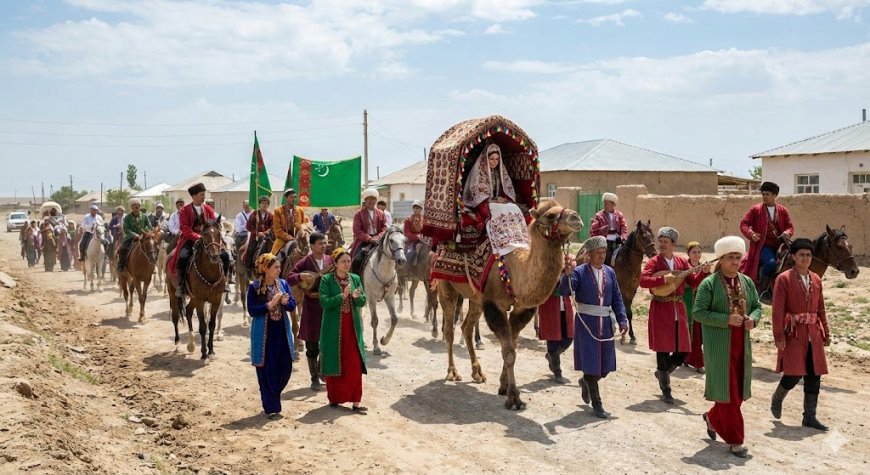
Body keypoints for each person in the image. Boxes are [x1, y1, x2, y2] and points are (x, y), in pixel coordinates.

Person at [693, 236, 762, 459]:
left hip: (741, 345)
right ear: (721, 259)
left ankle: (712, 418)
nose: (735, 262)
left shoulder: (747, 282)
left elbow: (758, 307)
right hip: (719, 347)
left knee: (738, 392)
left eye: (738, 257)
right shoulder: (709, 283)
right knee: (729, 393)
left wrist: (753, 319)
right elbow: (698, 313)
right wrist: (726, 320)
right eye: (730, 258)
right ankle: (735, 440)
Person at [639, 227, 710, 404]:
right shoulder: (654, 262)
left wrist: (704, 272)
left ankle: (662, 373)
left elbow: (692, 282)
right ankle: (666, 389)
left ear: (673, 244)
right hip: (661, 309)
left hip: (679, 307)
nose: (662, 245)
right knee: (663, 350)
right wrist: (663, 279)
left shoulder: (681, 262)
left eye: (665, 242)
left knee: (684, 350)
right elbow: (643, 280)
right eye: (660, 241)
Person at [770, 238, 830, 431]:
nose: (805, 258)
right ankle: (778, 396)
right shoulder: (784, 279)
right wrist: (778, 336)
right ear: (794, 257)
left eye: (809, 255)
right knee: (794, 373)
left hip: (814, 333)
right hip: (793, 332)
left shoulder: (816, 279)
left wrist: (826, 332)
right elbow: (777, 310)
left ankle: (809, 416)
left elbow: (821, 308)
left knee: (814, 374)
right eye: (801, 255)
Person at [572, 236, 628, 418]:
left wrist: (622, 320)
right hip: (586, 322)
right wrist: (566, 274)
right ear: (588, 255)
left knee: (605, 366)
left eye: (604, 252)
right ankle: (597, 404)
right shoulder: (579, 272)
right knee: (590, 364)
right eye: (598, 253)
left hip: (605, 322)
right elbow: (565, 290)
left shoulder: (610, 272)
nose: (602, 256)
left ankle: (586, 381)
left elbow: (617, 298)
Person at [247, 252, 297, 419]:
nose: (279, 270)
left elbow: (292, 305)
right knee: (266, 371)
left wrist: (286, 302)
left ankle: (274, 395)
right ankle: (271, 407)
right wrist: (270, 304)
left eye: (279, 267)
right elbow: (252, 310)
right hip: (264, 336)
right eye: (275, 267)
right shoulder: (254, 287)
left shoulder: (283, 284)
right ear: (266, 269)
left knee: (285, 368)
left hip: (281, 333)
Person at [319, 247, 367, 412]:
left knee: (354, 364)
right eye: (343, 261)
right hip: (333, 328)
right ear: (336, 263)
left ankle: (356, 402)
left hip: (352, 329)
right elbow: (324, 302)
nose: (347, 264)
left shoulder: (355, 278)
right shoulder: (326, 280)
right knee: (335, 361)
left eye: (349, 261)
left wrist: (357, 297)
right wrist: (343, 296)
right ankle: (334, 398)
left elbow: (363, 301)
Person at [287, 232, 333, 391]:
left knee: (327, 342)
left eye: (325, 243)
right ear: (312, 246)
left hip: (328, 307)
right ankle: (314, 378)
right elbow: (290, 277)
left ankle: (323, 372)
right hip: (312, 307)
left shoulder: (330, 260)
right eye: (320, 243)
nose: (324, 245)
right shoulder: (305, 261)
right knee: (312, 344)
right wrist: (301, 275)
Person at [169, 183, 231, 299]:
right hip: (190, 240)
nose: (204, 197)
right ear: (194, 196)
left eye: (204, 194)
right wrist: (199, 237)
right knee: (182, 257)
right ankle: (181, 286)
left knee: (225, 256)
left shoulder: (208, 209)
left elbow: (214, 224)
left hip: (209, 240)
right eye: (202, 194)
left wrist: (212, 236)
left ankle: (225, 282)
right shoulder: (184, 210)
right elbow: (185, 229)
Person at [739, 181, 794, 300]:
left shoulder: (783, 210)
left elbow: (790, 227)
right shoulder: (756, 210)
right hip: (763, 246)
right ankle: (763, 291)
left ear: (775, 195)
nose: (764, 197)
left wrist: (786, 233)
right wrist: (751, 234)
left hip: (781, 245)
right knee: (771, 263)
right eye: (763, 194)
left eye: (767, 194)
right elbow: (744, 224)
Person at [461, 143, 520, 230]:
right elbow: (476, 196)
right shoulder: (477, 172)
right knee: (493, 211)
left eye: (497, 159)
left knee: (512, 207)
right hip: (481, 203)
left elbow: (505, 189)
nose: (494, 162)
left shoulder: (499, 172)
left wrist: (502, 199)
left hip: (495, 201)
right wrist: (494, 200)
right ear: (485, 159)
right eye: (491, 159)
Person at [538, 254, 575, 385]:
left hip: (565, 306)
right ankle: (557, 371)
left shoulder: (567, 269)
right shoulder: (544, 269)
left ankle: (552, 356)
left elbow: (572, 286)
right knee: (553, 340)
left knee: (570, 336)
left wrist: (569, 272)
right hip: (550, 307)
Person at [350, 188, 387, 272]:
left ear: (376, 200)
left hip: (379, 240)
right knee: (357, 261)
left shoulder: (381, 213)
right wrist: (369, 239)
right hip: (363, 241)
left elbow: (384, 228)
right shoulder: (358, 214)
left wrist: (377, 237)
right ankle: (356, 281)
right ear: (365, 201)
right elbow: (357, 231)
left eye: (373, 199)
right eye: (369, 199)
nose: (371, 201)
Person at [683, 241, 706, 373]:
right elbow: (692, 283)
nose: (697, 255)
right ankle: (697, 362)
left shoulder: (704, 267)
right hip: (688, 303)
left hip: (702, 304)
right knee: (693, 333)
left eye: (698, 252)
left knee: (701, 335)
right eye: (694, 252)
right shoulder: (685, 267)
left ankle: (687, 357)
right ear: (688, 254)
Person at [589, 192, 628, 265]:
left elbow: (624, 227)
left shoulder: (619, 215)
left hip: (617, 238)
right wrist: (604, 229)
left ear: (613, 204)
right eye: (605, 203)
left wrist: (622, 237)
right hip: (604, 239)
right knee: (606, 255)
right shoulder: (599, 215)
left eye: (607, 203)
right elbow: (594, 231)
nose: (605, 205)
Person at [117, 198, 152, 273]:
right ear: (131, 207)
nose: (136, 208)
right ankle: (121, 266)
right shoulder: (127, 217)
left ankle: (152, 265)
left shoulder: (144, 216)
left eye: (137, 206)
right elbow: (126, 229)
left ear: (139, 206)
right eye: (133, 206)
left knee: (152, 247)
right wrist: (135, 234)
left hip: (143, 237)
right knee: (122, 249)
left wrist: (145, 232)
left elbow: (149, 227)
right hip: (131, 238)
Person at [271, 188, 309, 255]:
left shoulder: (300, 210)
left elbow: (305, 224)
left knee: (309, 253)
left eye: (295, 197)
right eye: (291, 197)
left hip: (299, 239)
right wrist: (288, 237)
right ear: (286, 198)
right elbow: (277, 230)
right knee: (276, 258)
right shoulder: (278, 211)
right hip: (282, 240)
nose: (293, 199)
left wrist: (301, 228)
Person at [245, 195, 274, 266]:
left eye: (266, 203)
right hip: (256, 237)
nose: (265, 205)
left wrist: (265, 232)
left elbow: (272, 227)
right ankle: (248, 267)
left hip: (268, 237)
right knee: (250, 249)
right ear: (259, 204)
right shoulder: (254, 214)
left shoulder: (270, 215)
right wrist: (257, 233)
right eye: (263, 203)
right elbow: (248, 227)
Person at [403, 200, 424, 267]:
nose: (415, 209)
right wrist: (417, 237)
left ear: (421, 209)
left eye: (417, 208)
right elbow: (407, 233)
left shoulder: (424, 219)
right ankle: (406, 270)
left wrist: (422, 237)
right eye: (414, 208)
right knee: (410, 252)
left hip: (423, 241)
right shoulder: (408, 219)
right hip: (412, 241)